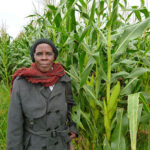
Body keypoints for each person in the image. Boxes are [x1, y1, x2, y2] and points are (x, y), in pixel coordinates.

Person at [7, 38, 77, 150]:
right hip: (35, 145)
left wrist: (72, 127)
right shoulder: (21, 83)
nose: (44, 58)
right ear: (33, 57)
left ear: (54, 57)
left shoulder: (63, 79)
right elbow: (14, 126)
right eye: (39, 54)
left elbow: (71, 108)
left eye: (48, 54)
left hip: (62, 144)